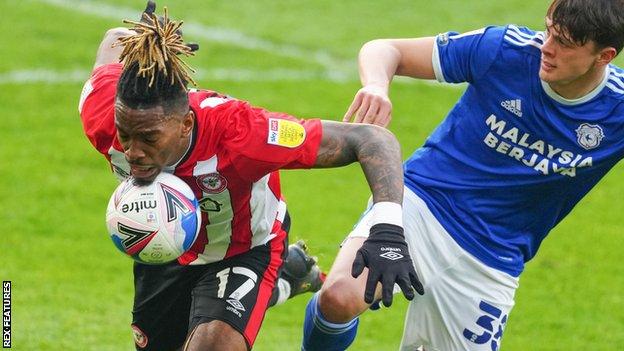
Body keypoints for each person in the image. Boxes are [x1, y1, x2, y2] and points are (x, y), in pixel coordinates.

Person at [78, 2, 422, 351]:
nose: (133, 152)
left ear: (185, 124)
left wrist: (388, 230)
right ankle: (284, 278)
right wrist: (148, 42)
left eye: (149, 138)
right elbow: (112, 40)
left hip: (243, 248)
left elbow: (371, 139)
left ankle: (269, 274)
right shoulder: (104, 115)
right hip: (164, 248)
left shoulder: (242, 134)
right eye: (126, 135)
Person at [301, 0, 624, 350]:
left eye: (564, 43)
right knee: (340, 296)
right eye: (549, 31)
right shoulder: (503, 50)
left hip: (492, 258)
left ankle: (290, 277)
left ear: (604, 56)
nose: (546, 47)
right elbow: (385, 49)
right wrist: (377, 86)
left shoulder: (617, 110)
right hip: (423, 203)